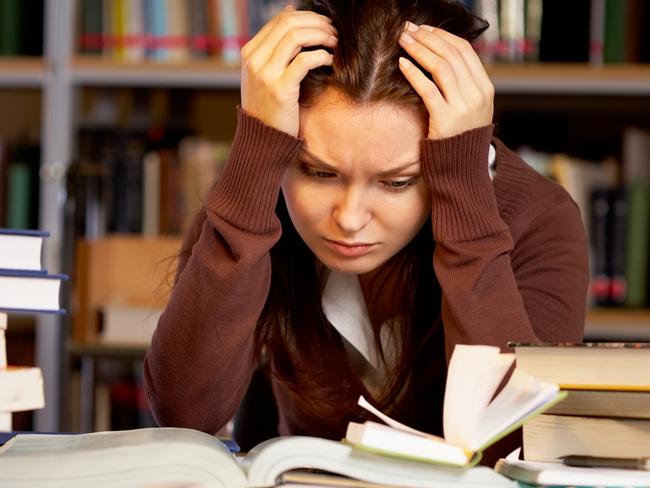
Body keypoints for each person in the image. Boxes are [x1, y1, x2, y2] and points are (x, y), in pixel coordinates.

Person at [144, 0, 589, 463]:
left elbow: (524, 449)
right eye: (318, 173)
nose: (350, 218)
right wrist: (255, 154)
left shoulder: (540, 219)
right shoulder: (258, 195)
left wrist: (464, 189)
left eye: (397, 182)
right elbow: (183, 413)